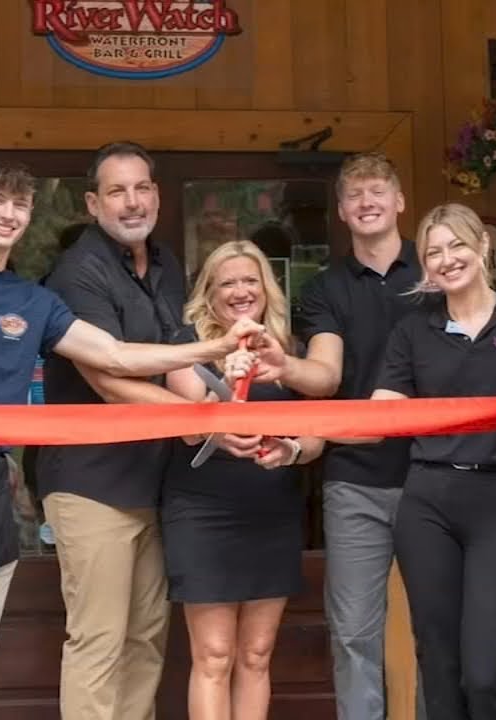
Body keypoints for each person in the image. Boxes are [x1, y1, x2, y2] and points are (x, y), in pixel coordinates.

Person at [0, 159, 266, 720]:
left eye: (20, 204)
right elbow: (108, 382)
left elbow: (117, 355)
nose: (8, 213)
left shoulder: (35, 301)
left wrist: (214, 351)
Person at [36, 142, 282, 720]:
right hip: (91, 482)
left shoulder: (167, 265)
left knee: (146, 640)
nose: (132, 202)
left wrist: (227, 395)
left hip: (155, 483)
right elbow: (110, 378)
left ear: (157, 195)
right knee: (99, 642)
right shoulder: (77, 273)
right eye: (117, 191)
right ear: (94, 203)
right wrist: (209, 426)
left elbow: (177, 362)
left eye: (141, 188)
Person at [252, 152, 422, 720]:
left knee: (440, 628)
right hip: (356, 481)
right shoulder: (324, 288)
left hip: (437, 475)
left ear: (399, 201)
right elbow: (325, 373)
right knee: (354, 634)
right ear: (343, 213)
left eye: (378, 190)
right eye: (354, 195)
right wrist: (286, 367)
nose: (367, 202)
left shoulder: (436, 273)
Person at [362, 202, 496, 720]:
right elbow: (380, 416)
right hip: (428, 505)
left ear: (482, 245)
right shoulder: (413, 331)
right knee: (437, 664)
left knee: (487, 672)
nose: (447, 259)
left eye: (457, 244)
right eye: (434, 251)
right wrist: (298, 437)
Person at [160, 240, 325, 720]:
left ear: (266, 289)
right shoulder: (187, 343)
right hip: (202, 513)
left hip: (271, 512)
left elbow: (317, 434)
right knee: (213, 655)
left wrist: (292, 450)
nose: (239, 291)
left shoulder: (286, 351)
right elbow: (191, 430)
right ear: (208, 294)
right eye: (227, 282)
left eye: (249, 280)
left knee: (256, 654)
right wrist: (233, 380)